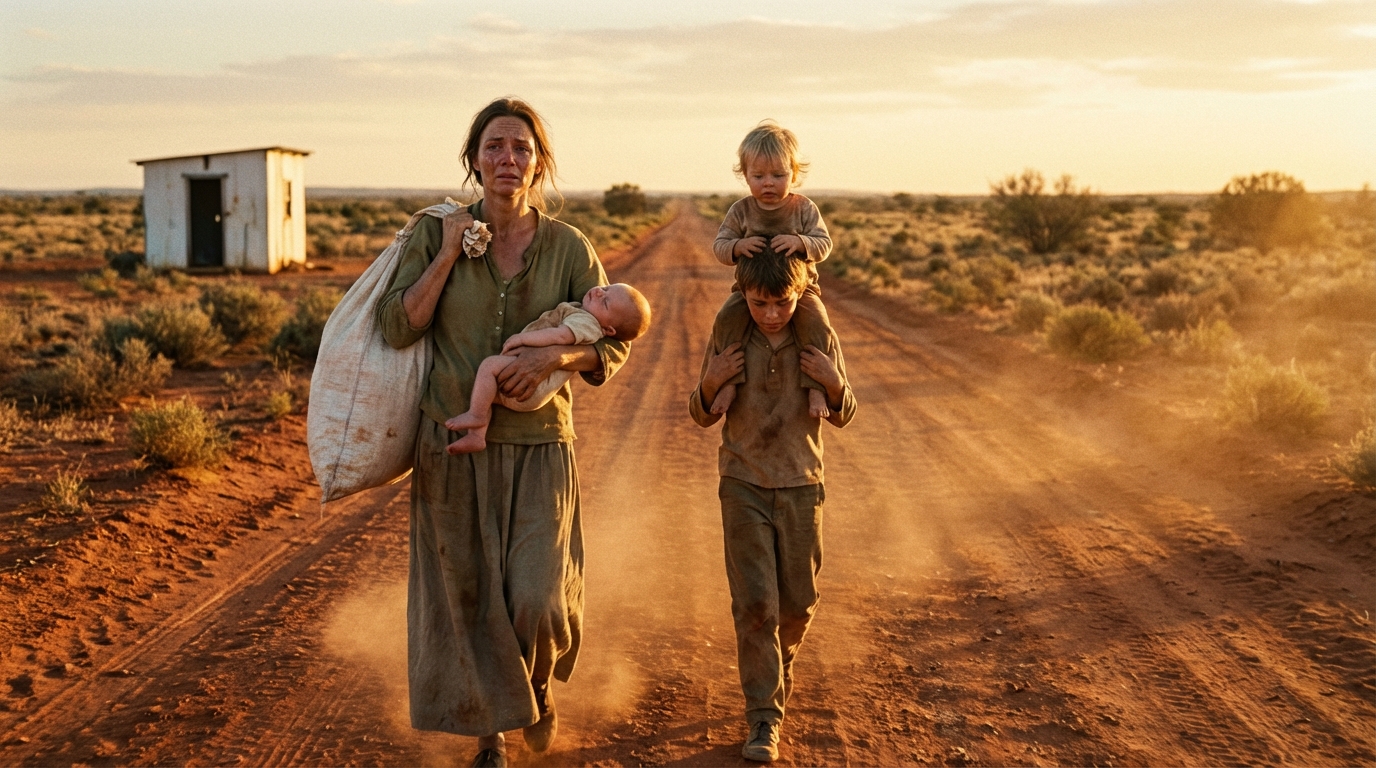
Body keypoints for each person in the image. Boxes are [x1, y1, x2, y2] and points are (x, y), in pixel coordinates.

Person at [376, 97, 632, 768]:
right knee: (470, 602)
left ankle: (538, 689)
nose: (507, 159)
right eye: (494, 146)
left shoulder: (570, 247)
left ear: (539, 163)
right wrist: (446, 256)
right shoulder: (435, 233)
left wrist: (559, 356)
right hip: (452, 447)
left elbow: (612, 346)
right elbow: (399, 326)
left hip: (541, 447)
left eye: (521, 147)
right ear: (473, 159)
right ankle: (490, 738)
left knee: (540, 601)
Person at [688, 247, 857, 763]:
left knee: (798, 604)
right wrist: (713, 380)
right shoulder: (731, 333)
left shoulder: (816, 337)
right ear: (745, 294)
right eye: (760, 303)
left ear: (798, 293)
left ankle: (777, 665)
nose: (770, 314)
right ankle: (764, 716)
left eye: (781, 303)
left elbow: (845, 411)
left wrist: (829, 381)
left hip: (803, 484)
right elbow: (700, 412)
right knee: (756, 606)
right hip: (742, 483)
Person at [710, 120, 837, 419]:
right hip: (748, 289)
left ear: (795, 174)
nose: (768, 182)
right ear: (745, 176)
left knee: (817, 326)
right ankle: (727, 383)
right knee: (727, 320)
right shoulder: (740, 211)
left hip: (800, 290)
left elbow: (824, 244)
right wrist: (737, 247)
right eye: (759, 175)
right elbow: (720, 247)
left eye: (778, 175)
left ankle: (816, 388)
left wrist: (800, 242)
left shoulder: (804, 209)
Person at [444, 282, 651, 453]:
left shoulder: (587, 323)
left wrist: (522, 338)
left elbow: (560, 335)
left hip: (534, 384)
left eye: (605, 301)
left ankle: (476, 417)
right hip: (532, 388)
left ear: (610, 329)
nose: (598, 292)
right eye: (605, 287)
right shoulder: (584, 311)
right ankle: (477, 436)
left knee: (488, 367)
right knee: (487, 394)